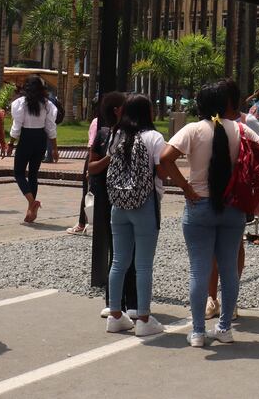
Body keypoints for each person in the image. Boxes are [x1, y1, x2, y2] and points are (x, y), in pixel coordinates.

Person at [161, 83, 259, 348]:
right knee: (229, 270)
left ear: (201, 104)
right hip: (232, 206)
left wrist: (186, 187)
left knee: (199, 271)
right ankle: (224, 328)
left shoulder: (192, 130)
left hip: (199, 205)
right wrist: (249, 184)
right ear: (226, 104)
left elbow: (165, 158)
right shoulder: (241, 129)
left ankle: (198, 332)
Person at [88, 94, 166, 337]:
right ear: (147, 112)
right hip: (144, 204)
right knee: (143, 264)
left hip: (118, 204)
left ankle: (115, 315)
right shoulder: (154, 137)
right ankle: (143, 318)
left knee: (119, 260)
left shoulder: (115, 135)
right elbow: (162, 171)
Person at [207, 79, 255, 320]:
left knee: (235, 248)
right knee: (210, 250)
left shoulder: (248, 122)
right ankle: (211, 299)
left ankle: (229, 299)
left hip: (237, 195)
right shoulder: (208, 122)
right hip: (211, 193)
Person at [90, 92, 138, 317]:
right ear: (117, 110)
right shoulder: (103, 135)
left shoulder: (135, 135)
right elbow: (92, 167)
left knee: (131, 252)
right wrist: (112, 156)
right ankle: (114, 301)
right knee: (118, 252)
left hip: (128, 197)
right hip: (108, 198)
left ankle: (132, 302)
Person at [10, 75, 58, 223]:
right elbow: (51, 127)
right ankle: (31, 209)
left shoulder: (20, 103)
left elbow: (17, 126)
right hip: (40, 139)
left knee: (18, 172)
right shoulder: (47, 104)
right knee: (33, 174)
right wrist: (55, 148)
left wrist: (11, 143)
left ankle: (31, 202)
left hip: (26, 138)